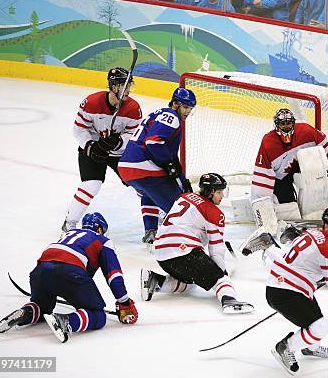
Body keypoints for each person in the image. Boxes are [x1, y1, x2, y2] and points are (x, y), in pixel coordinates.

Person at [241, 207, 328, 374]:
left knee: (314, 322)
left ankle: (309, 346)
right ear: (327, 226)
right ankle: (285, 347)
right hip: (286, 291)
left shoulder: (314, 233)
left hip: (286, 285)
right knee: (320, 327)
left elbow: (325, 261)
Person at [0, 213, 138, 343]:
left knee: (42, 306)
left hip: (40, 271)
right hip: (70, 272)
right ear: (100, 229)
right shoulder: (102, 240)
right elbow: (114, 276)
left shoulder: (69, 234)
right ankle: (66, 321)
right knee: (98, 316)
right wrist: (124, 302)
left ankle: (26, 313)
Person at [140, 173, 254, 314]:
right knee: (220, 280)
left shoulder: (184, 197)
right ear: (211, 192)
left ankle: (157, 281)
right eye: (219, 192)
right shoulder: (213, 212)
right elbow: (216, 249)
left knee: (192, 283)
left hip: (161, 254)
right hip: (184, 252)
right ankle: (229, 301)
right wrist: (221, 273)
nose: (222, 196)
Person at [248, 108, 328, 241]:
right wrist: (262, 205)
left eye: (288, 123)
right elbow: (262, 176)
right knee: (289, 210)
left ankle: (322, 211)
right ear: (276, 125)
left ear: (294, 123)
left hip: (302, 168)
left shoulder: (306, 131)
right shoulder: (268, 143)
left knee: (316, 173)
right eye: (283, 124)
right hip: (281, 178)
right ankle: (292, 226)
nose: (286, 127)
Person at [61, 67, 142, 233]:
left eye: (129, 86)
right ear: (113, 86)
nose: (127, 90)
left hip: (119, 154)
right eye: (123, 86)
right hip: (93, 149)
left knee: (140, 183)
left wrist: (118, 143)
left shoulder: (133, 108)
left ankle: (157, 217)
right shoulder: (91, 102)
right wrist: (90, 146)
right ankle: (69, 223)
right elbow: (79, 129)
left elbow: (133, 135)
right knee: (91, 185)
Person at [118, 88, 196, 248]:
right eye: (186, 107)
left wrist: (182, 178)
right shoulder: (171, 116)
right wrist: (169, 165)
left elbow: (170, 155)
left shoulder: (159, 114)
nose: (188, 111)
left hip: (126, 168)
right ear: (175, 104)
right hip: (143, 166)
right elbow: (154, 142)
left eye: (191, 108)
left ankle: (151, 231)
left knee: (148, 193)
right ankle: (185, 244)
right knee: (181, 209)